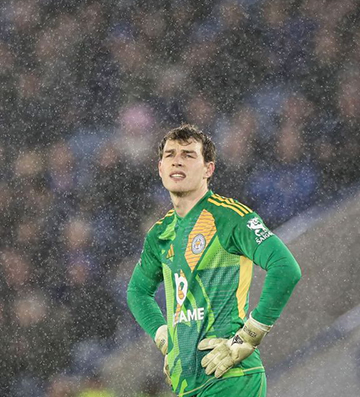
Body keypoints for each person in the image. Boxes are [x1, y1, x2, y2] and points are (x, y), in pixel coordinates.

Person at [126, 124, 301, 396]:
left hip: (230, 376)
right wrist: (165, 338)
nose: (177, 161)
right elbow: (137, 292)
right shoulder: (159, 234)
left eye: (188, 155)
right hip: (188, 384)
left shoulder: (229, 217)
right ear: (160, 168)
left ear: (208, 169)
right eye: (170, 155)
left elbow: (285, 268)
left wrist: (250, 336)